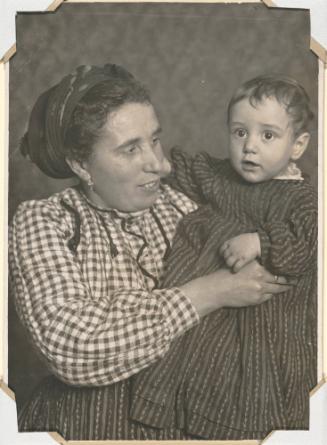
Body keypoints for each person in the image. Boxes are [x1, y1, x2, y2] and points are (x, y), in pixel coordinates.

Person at [8, 64, 290, 440]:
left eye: (154, 140)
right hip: (85, 428)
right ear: (82, 165)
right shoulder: (44, 221)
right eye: (130, 149)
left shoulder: (183, 204)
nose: (160, 164)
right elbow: (72, 346)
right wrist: (211, 291)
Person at [130, 75, 318, 440]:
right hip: (208, 310)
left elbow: (309, 245)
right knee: (192, 368)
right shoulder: (224, 177)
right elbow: (188, 170)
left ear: (297, 145)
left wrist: (261, 241)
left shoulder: (301, 198)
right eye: (239, 133)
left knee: (248, 389)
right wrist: (155, 163)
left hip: (264, 322)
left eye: (267, 136)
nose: (249, 148)